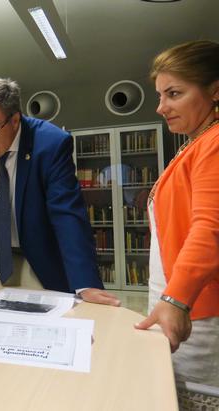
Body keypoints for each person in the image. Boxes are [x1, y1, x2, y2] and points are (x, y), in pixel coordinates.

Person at [0, 78, 120, 306]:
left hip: (46, 256)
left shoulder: (50, 143)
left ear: (15, 120)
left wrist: (86, 284)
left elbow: (67, 215)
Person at [134, 40, 219, 388]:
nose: (161, 107)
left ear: (215, 91)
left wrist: (176, 299)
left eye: (174, 94)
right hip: (181, 303)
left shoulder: (214, 143)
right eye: (160, 95)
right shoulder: (196, 142)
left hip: (199, 311)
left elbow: (210, 228)